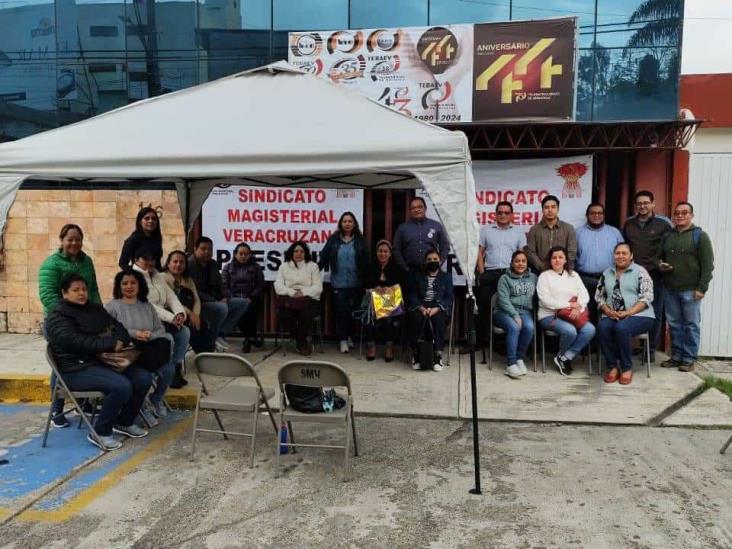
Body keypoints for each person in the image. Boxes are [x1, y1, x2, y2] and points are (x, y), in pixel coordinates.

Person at [46, 274, 151, 451]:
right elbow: (76, 342)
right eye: (76, 290)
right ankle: (101, 432)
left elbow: (117, 326)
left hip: (102, 362)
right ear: (65, 293)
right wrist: (110, 343)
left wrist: (120, 340)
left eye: (84, 290)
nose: (81, 293)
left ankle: (124, 422)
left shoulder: (94, 309)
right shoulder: (58, 317)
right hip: (75, 369)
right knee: (121, 386)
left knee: (143, 378)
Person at [38, 223, 101, 429]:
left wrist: (99, 315)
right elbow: (48, 296)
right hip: (60, 324)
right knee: (61, 360)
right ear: (62, 240)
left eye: (78, 239)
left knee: (86, 356)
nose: (74, 243)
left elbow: (92, 290)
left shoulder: (86, 261)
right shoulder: (51, 264)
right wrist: (71, 317)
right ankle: (57, 408)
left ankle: (85, 403)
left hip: (84, 322)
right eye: (70, 239)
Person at [105, 269, 174, 422]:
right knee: (144, 376)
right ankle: (141, 406)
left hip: (150, 351)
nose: (129, 286)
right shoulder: (112, 307)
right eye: (125, 283)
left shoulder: (147, 306)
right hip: (129, 355)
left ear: (139, 285)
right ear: (119, 286)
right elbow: (109, 332)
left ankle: (156, 398)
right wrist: (134, 334)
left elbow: (160, 330)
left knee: (169, 369)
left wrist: (150, 335)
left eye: (133, 283)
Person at [659, 202, 714, 372]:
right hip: (670, 288)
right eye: (677, 213)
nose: (680, 216)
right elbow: (659, 258)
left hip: (691, 289)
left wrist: (701, 288)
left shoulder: (700, 236)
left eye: (684, 212)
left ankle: (689, 358)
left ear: (691, 215)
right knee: (674, 324)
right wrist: (661, 265)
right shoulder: (668, 236)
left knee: (691, 325)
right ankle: (676, 356)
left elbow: (708, 265)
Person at [132, 247, 190, 394]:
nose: (150, 262)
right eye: (146, 259)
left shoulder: (157, 276)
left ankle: (175, 369)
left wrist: (179, 314)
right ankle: (163, 375)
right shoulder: (133, 278)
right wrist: (172, 318)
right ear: (136, 260)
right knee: (168, 339)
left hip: (163, 320)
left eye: (152, 259)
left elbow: (171, 297)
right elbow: (148, 305)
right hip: (144, 322)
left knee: (184, 333)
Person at [595, 243, 656, 385]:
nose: (620, 256)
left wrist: (629, 312)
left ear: (631, 256)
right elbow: (599, 296)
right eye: (617, 253)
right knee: (602, 327)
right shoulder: (607, 273)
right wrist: (606, 310)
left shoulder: (640, 272)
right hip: (613, 314)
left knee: (622, 328)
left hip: (640, 315)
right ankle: (612, 366)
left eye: (624, 253)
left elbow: (647, 297)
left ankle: (626, 367)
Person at [622, 190, 672, 360]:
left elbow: (670, 246)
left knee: (654, 311)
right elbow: (625, 247)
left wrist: (664, 263)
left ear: (653, 204)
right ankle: (638, 346)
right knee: (633, 309)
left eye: (646, 203)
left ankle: (649, 350)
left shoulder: (663, 223)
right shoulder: (629, 223)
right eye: (639, 203)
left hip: (655, 275)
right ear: (635, 205)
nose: (642, 206)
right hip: (633, 274)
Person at [473, 201, 526, 348]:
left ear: (511, 215)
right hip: (490, 273)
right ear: (495, 214)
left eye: (506, 212)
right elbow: (480, 252)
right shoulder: (486, 230)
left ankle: (503, 343)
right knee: (483, 307)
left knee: (509, 306)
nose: (503, 215)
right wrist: (482, 271)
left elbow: (521, 254)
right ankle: (481, 342)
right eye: (500, 212)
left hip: (511, 275)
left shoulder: (518, 232)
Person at [537, 246, 596, 376]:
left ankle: (565, 357)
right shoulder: (544, 276)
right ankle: (563, 357)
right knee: (570, 331)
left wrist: (579, 306)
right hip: (549, 316)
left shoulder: (573, 275)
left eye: (560, 257)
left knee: (590, 330)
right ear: (550, 260)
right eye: (554, 258)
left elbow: (584, 295)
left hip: (573, 314)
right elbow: (545, 300)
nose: (557, 260)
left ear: (565, 260)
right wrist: (570, 305)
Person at [318, 212, 369, 353]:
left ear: (354, 224)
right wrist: (312, 271)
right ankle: (342, 340)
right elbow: (323, 258)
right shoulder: (333, 240)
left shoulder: (360, 241)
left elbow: (366, 262)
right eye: (345, 221)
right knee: (341, 312)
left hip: (356, 283)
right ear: (341, 223)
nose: (347, 223)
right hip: (338, 283)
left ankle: (350, 336)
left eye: (350, 221)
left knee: (353, 312)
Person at [187, 237, 249, 352]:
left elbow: (221, 284)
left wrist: (225, 296)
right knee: (222, 308)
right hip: (197, 303)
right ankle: (211, 341)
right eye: (203, 248)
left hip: (215, 300)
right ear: (195, 249)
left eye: (209, 249)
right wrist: (215, 301)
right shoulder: (189, 265)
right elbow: (194, 291)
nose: (207, 252)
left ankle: (220, 334)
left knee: (243, 302)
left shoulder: (213, 264)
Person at [406, 249, 454, 372]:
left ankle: (437, 355)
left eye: (435, 259)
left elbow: (449, 297)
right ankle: (416, 354)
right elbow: (412, 295)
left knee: (438, 319)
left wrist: (437, 308)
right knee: (415, 318)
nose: (432, 261)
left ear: (440, 261)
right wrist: (421, 308)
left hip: (437, 306)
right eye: (429, 260)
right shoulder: (417, 275)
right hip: (421, 305)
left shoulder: (447, 277)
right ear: (425, 262)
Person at [575, 203, 624, 322]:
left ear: (604, 215)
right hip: (585, 280)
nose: (596, 215)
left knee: (608, 316)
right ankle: (589, 340)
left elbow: (623, 256)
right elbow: (572, 256)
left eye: (599, 213)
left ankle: (604, 341)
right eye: (593, 213)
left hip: (609, 279)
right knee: (587, 315)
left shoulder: (614, 233)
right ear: (587, 215)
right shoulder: (577, 233)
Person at [274, 241, 323, 355]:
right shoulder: (284, 266)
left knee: (305, 314)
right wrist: (292, 293)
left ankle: (300, 342)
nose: (299, 253)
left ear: (306, 253)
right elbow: (278, 286)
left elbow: (318, 287)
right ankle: (300, 340)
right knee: (284, 314)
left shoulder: (312, 266)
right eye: (296, 251)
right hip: (290, 298)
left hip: (308, 299)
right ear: (291, 252)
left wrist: (303, 292)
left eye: (302, 251)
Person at [494, 250, 537, 379]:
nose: (520, 264)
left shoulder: (533, 278)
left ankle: (519, 358)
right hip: (504, 312)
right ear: (512, 263)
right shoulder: (505, 278)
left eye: (523, 261)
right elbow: (503, 300)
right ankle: (511, 364)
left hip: (525, 311)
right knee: (514, 327)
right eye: (517, 261)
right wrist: (514, 315)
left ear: (527, 263)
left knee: (529, 328)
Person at [163, 250, 201, 385]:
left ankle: (177, 367)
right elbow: (171, 301)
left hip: (186, 317)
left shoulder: (188, 280)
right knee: (182, 332)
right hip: (169, 317)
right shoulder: (163, 278)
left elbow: (196, 299)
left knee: (193, 329)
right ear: (168, 263)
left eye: (181, 262)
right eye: (175, 261)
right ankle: (171, 371)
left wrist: (196, 314)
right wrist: (189, 313)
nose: (178, 265)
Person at [222, 243, 265, 353]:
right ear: (235, 254)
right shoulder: (228, 267)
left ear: (250, 255)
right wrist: (231, 297)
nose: (243, 256)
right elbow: (224, 285)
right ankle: (251, 338)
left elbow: (260, 285)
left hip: (252, 298)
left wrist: (251, 297)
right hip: (234, 298)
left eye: (246, 254)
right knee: (238, 310)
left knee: (250, 310)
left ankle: (248, 338)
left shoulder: (256, 267)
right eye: (240, 254)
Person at [364, 240, 403, 362]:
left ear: (390, 253)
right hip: (373, 302)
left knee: (388, 319)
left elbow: (400, 288)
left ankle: (389, 347)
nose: (383, 254)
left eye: (386, 251)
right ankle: (371, 346)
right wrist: (374, 288)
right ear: (376, 253)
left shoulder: (396, 268)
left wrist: (389, 288)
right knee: (370, 316)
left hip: (390, 304)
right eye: (380, 251)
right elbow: (364, 284)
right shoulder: (370, 267)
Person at [393, 196, 450, 273]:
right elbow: (396, 249)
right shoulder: (402, 228)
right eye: (413, 208)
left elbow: (445, 246)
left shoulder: (436, 226)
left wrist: (439, 263)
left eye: (420, 207)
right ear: (410, 210)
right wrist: (405, 268)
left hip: (431, 271)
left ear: (425, 209)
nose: (417, 210)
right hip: (409, 272)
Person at [526, 195, 577, 273]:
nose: (550, 210)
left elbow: (571, 252)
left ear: (558, 209)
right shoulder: (534, 230)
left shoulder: (569, 229)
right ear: (542, 210)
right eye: (546, 207)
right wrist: (542, 267)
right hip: (539, 272)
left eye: (553, 207)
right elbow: (531, 252)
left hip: (562, 271)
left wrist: (561, 268)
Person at [118, 207, 164, 271]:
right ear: (140, 222)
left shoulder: (157, 238)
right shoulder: (133, 240)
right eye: (147, 218)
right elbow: (122, 264)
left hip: (155, 277)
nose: (150, 221)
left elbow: (157, 263)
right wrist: (137, 273)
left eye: (154, 218)